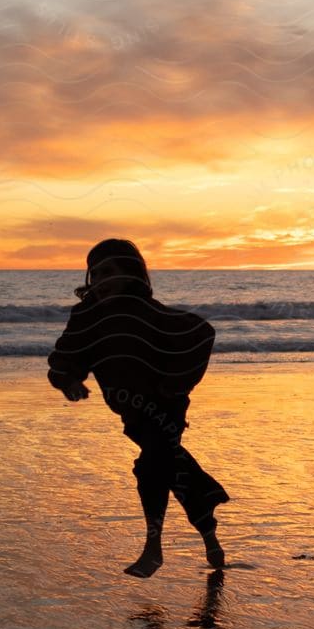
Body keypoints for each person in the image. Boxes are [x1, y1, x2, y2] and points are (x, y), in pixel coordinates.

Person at [47, 239, 230, 577]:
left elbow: (202, 333)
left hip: (166, 407)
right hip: (129, 409)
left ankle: (153, 548)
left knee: (151, 465)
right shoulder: (89, 315)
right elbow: (66, 355)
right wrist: (69, 381)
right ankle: (210, 533)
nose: (101, 280)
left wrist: (176, 383)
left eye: (109, 272)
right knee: (173, 466)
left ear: (132, 273)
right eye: (96, 273)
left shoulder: (148, 312)